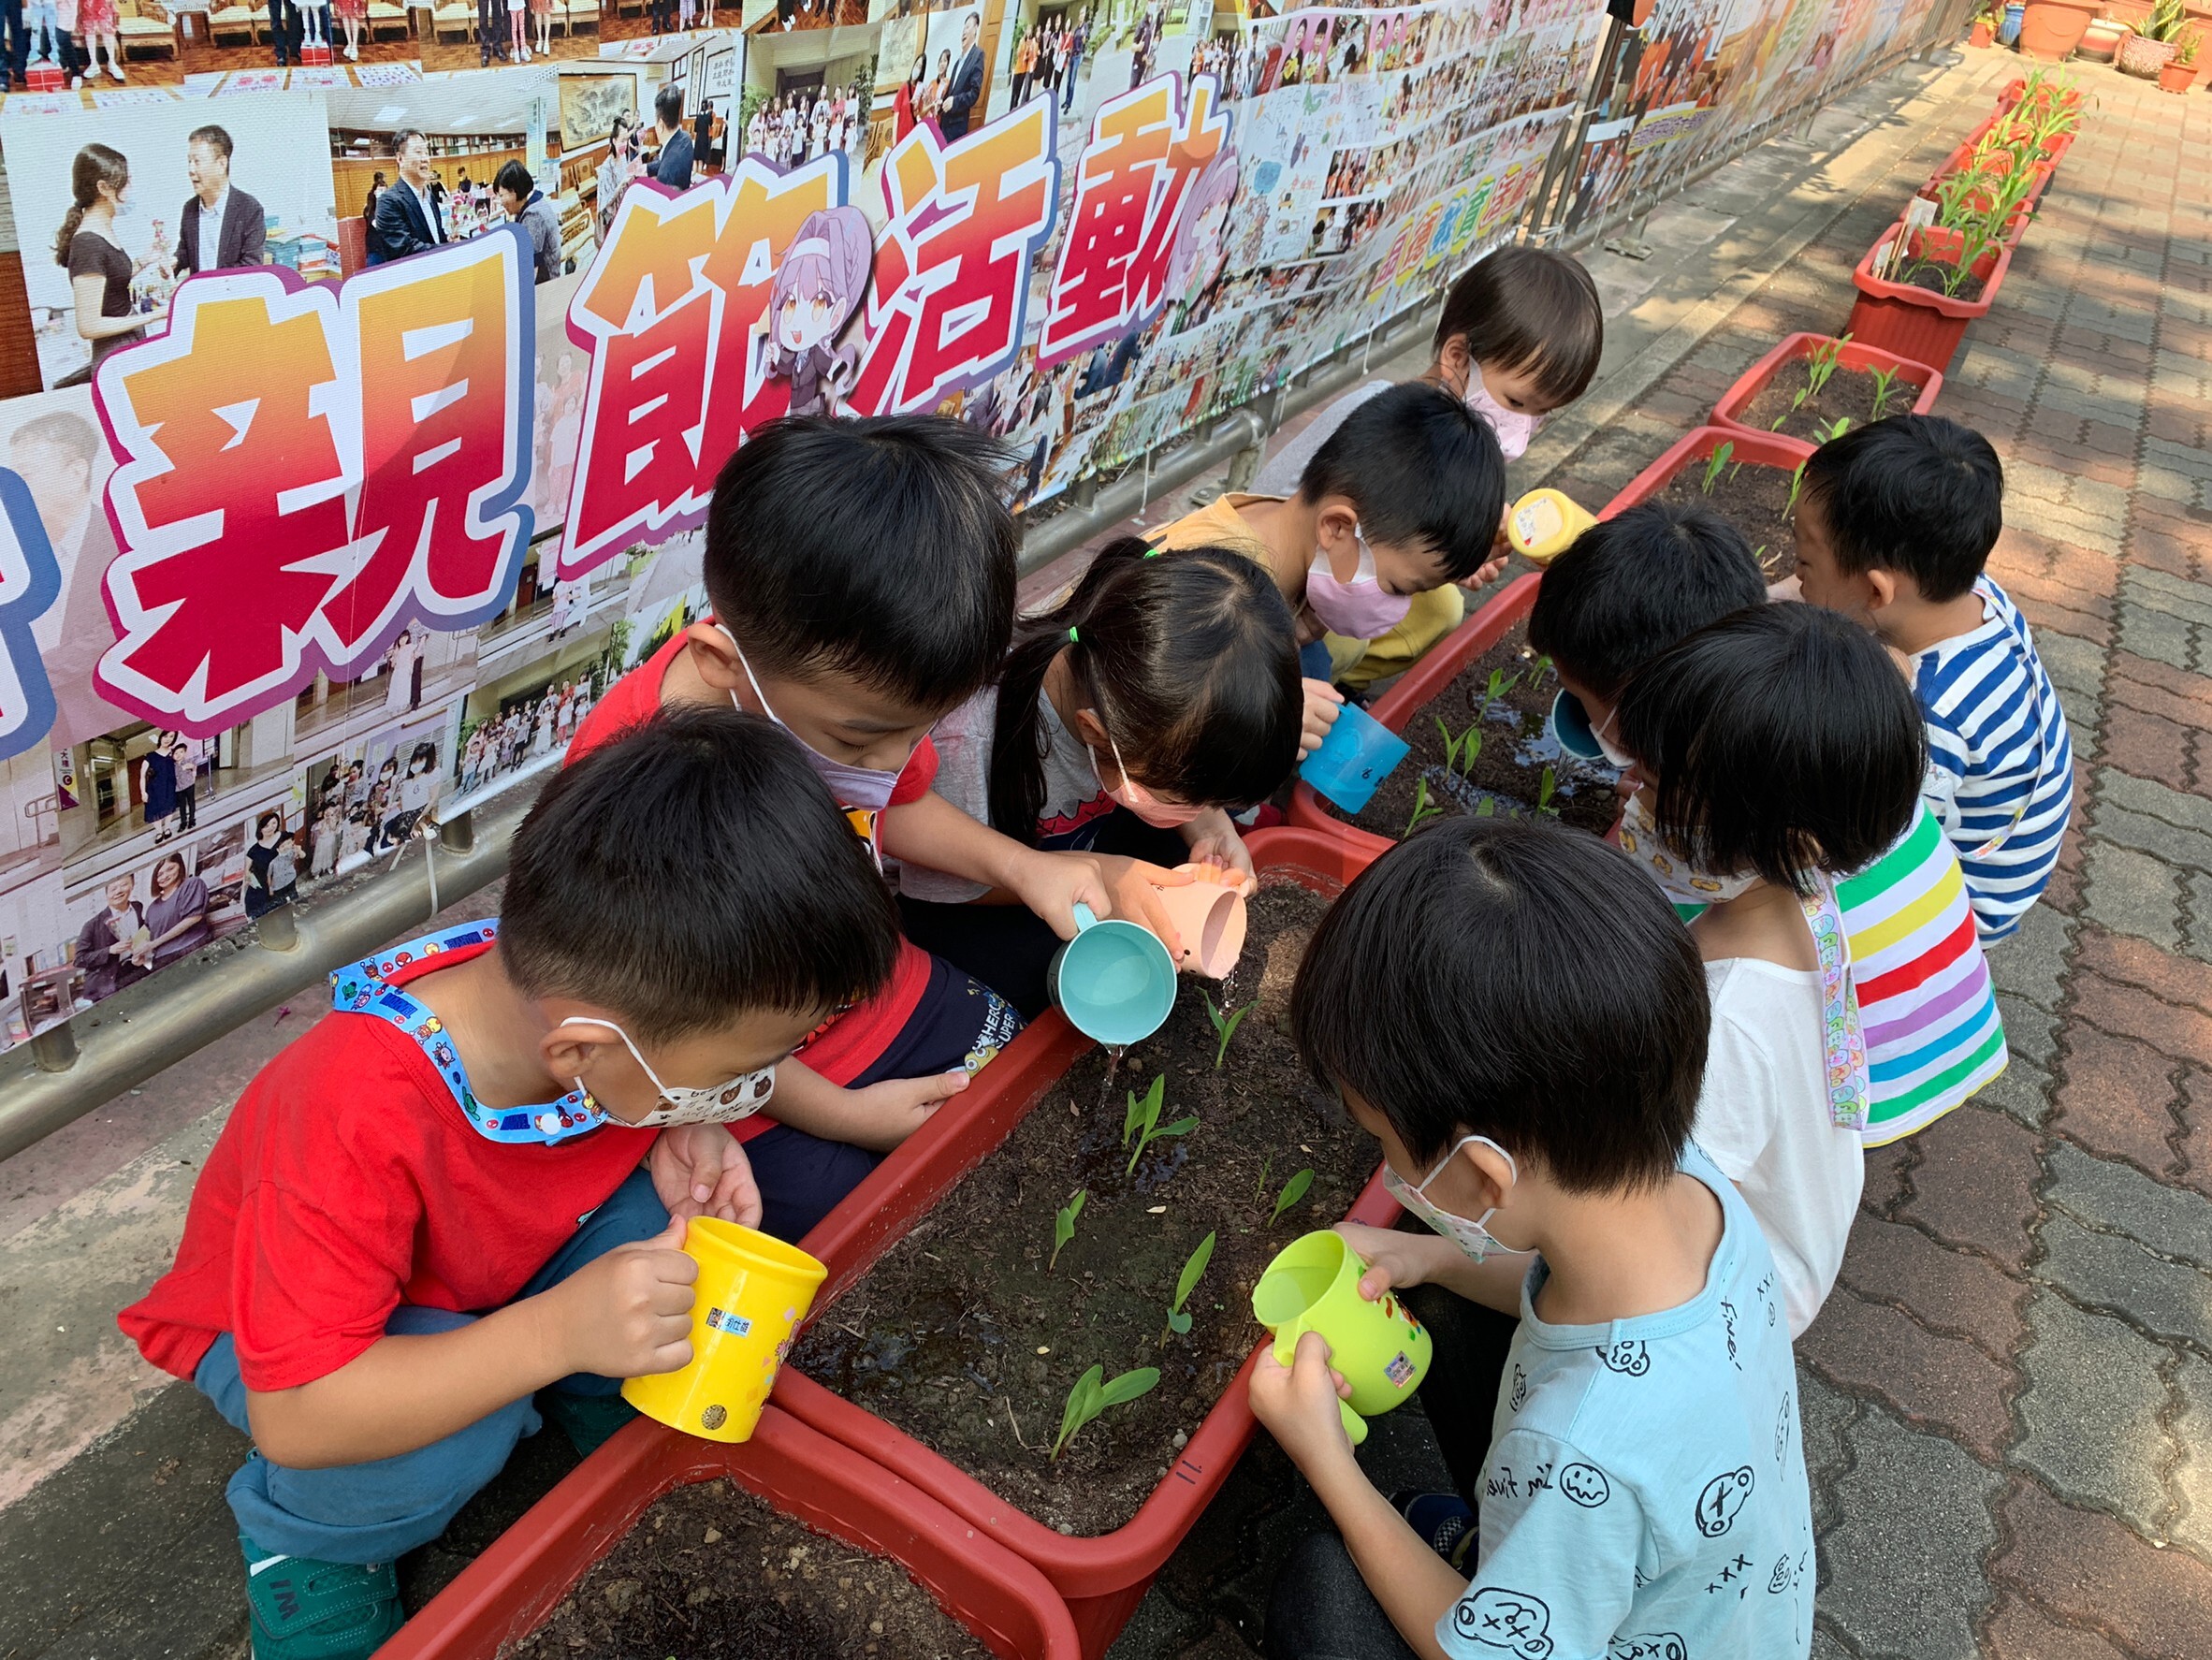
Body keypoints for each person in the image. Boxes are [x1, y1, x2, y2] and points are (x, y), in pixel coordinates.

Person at [116, 706, 906, 1660]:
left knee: (669, 1236)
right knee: (456, 1438)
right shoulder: (352, 1107)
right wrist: (554, 1332)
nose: (744, 1093)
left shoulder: (573, 995)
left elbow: (611, 1108)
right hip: (289, 1344)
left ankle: (573, 1375)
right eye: (730, 1074)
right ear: (581, 1052)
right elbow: (302, 1407)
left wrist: (688, 1118)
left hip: (497, 1243)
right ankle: (308, 1542)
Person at [1255, 817, 1813, 1660]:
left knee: (1321, 1587)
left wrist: (1331, 1466)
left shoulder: (1584, 1444)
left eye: (1384, 1140)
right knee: (1442, 1304)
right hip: (1706, 1601)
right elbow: (1549, 1274)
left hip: (1569, 1585)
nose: (1387, 1161)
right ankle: (1514, 1561)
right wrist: (1437, 1254)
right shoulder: (1695, 1186)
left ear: (1486, 1177)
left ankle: (1505, 1568)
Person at [569, 415, 1114, 1242]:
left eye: (917, 730)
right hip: (740, 1065)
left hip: (873, 985)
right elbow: (680, 1030)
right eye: (861, 740)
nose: (896, 760)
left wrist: (1024, 868)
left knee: (1017, 1102)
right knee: (860, 1230)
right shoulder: (631, 794)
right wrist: (848, 1116)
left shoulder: (843, 701)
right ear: (724, 665)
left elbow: (893, 805)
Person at [1532, 501, 2007, 1148]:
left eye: (1653, 772)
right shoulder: (1846, 766)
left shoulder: (1726, 881)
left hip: (1872, 1093)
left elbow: (1626, 951)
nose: (1634, 781)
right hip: (1952, 1034)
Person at [1613, 604, 1924, 1337]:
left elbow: (1641, 1243)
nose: (1630, 792)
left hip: (1741, 1301)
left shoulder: (1728, 1031)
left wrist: (1440, 1259)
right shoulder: (1804, 898)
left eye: (1657, 788)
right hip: (1795, 1218)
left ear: (1786, 841)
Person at [896, 537, 1302, 1016]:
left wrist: (1211, 825)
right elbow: (941, 883)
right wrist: (1092, 881)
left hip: (1063, 840)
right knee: (1022, 992)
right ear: (1094, 731)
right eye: (1187, 796)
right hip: (967, 885)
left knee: (1170, 858)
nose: (1197, 809)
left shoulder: (1124, 693)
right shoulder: (971, 740)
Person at [1790, 415, 2074, 943]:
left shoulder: (1926, 717)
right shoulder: (1975, 594)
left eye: (1805, 560)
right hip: (2006, 838)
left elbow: (1878, 845)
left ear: (1877, 594)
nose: (1794, 571)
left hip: (1966, 905)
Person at [1150, 381, 1505, 742]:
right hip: (1126, 764)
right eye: (1398, 589)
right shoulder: (1211, 591)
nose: (1398, 609)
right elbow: (1144, 710)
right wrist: (1264, 718)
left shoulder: (1285, 532)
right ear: (1337, 527)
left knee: (1314, 664)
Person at [1255, 245, 1604, 511]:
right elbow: (1350, 558)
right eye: (1515, 402)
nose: (1522, 431)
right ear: (1457, 357)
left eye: (1543, 413)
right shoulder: (1380, 427)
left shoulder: (1445, 438)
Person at [55, 144, 167, 372]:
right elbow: (88, 326)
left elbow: (110, 281)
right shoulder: (88, 243)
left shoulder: (103, 231)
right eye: (125, 182)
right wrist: (155, 316)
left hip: (128, 340)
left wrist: (145, 260)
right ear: (104, 188)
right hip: (114, 351)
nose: (130, 188)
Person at [758, 206, 870, 418]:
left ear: (836, 313)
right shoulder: (797, 353)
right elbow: (785, 365)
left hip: (811, 413)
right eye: (790, 304)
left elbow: (831, 367)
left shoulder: (817, 353)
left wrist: (842, 368)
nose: (798, 320)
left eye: (818, 303)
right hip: (796, 414)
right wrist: (775, 357)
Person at [175, 125, 267, 279]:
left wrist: (213, 286)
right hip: (198, 298)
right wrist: (174, 261)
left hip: (233, 298)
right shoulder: (190, 208)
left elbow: (251, 265)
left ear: (221, 164)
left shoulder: (249, 209)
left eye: (197, 161)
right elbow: (185, 251)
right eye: (189, 161)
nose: (191, 170)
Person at [367, 131, 446, 267]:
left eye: (426, 153)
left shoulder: (430, 197)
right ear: (400, 159)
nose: (425, 159)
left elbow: (437, 237)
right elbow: (405, 249)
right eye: (418, 152)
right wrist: (448, 250)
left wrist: (451, 244)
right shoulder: (388, 201)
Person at [76, 873, 150, 1001]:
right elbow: (80, 959)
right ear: (106, 894)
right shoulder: (92, 925)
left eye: (124, 885)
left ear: (132, 885)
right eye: (113, 889)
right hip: (108, 984)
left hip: (138, 971)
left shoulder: (138, 908)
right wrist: (110, 950)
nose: (119, 891)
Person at [495, 160, 560, 284]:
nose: (501, 202)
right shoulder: (536, 203)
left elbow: (529, 266)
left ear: (513, 192)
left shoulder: (533, 216)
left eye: (502, 195)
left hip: (546, 286)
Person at [144, 851, 212, 969]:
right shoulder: (151, 909)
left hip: (191, 949)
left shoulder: (192, 884)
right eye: (159, 874)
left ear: (180, 867)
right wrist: (141, 957)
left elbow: (193, 918)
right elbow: (148, 938)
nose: (164, 876)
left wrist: (154, 944)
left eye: (170, 869)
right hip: (162, 960)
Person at [939, 12, 984, 140]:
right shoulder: (958, 62)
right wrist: (939, 103)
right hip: (944, 124)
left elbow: (975, 93)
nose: (964, 32)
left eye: (968, 27)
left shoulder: (978, 55)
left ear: (975, 29)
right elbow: (950, 93)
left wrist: (955, 102)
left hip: (957, 129)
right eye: (963, 28)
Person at [596, 114, 639, 237]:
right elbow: (605, 202)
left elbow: (626, 178)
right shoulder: (606, 168)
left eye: (627, 140)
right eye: (622, 140)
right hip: (612, 215)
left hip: (624, 206)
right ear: (614, 141)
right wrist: (621, 184)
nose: (625, 144)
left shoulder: (624, 156)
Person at [649, 82, 694, 192]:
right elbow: (666, 159)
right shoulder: (685, 138)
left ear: (660, 125)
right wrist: (646, 168)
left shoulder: (665, 175)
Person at [244, 810, 289, 917]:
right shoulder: (254, 850)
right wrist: (249, 878)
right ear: (261, 829)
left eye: (274, 823)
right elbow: (247, 871)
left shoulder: (283, 838)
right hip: (260, 889)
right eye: (266, 825)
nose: (271, 827)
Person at [139, 727, 179, 843]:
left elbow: (181, 765)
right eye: (166, 736)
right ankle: (159, 832)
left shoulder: (173, 754)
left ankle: (167, 828)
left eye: (172, 737)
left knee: (169, 807)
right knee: (154, 810)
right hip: (154, 789)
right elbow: (142, 776)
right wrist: (143, 792)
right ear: (161, 737)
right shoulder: (150, 756)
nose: (168, 739)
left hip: (170, 786)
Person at [168, 732, 199, 830]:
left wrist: (193, 774)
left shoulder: (187, 762)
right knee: (182, 805)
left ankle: (192, 819)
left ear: (185, 752)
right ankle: (183, 822)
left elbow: (193, 767)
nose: (179, 755)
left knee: (191, 802)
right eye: (176, 753)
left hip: (189, 784)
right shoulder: (172, 766)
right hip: (178, 788)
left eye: (181, 752)